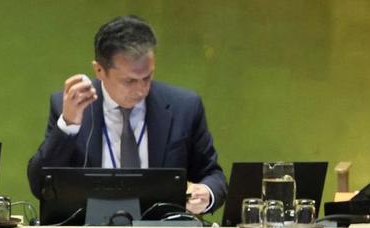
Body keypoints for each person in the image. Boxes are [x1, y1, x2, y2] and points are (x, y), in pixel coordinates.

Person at [26, 15, 226, 215]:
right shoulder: (71, 106)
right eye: (129, 81)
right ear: (99, 70)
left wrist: (206, 193)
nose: (141, 89)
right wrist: (68, 125)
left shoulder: (184, 107)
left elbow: (213, 175)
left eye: (147, 77)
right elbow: (40, 186)